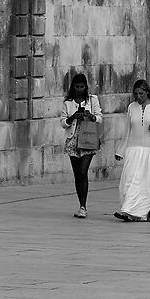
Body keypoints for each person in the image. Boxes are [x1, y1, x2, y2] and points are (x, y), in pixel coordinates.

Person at [113, 77, 150, 223]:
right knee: (130, 181)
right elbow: (127, 130)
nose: (138, 97)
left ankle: (144, 212)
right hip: (133, 149)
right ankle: (128, 210)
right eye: (136, 94)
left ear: (147, 92)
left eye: (141, 94)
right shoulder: (131, 107)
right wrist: (121, 150)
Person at [63, 71, 104, 219]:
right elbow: (63, 122)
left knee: (82, 171)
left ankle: (83, 205)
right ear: (73, 87)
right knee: (77, 174)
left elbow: (100, 117)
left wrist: (91, 116)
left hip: (88, 138)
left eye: (82, 87)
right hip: (73, 139)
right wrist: (73, 117)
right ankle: (81, 205)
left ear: (85, 87)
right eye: (77, 87)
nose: (79, 89)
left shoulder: (92, 100)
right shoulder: (68, 103)